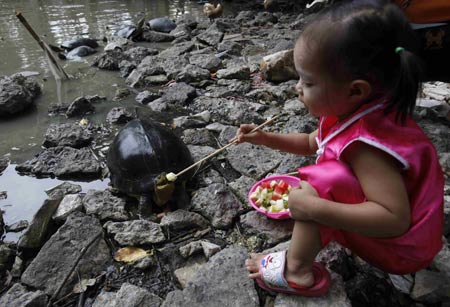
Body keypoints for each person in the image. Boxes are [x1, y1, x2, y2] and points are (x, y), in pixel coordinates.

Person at [236, 0, 444, 297]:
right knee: (323, 181)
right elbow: (312, 143)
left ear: (356, 90)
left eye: (307, 82)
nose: (297, 89)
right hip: (411, 239)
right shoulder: (361, 110)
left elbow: (394, 218)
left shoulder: (367, 147)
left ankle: (297, 272)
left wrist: (317, 208)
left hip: (401, 250)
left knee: (318, 185)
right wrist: (266, 138)